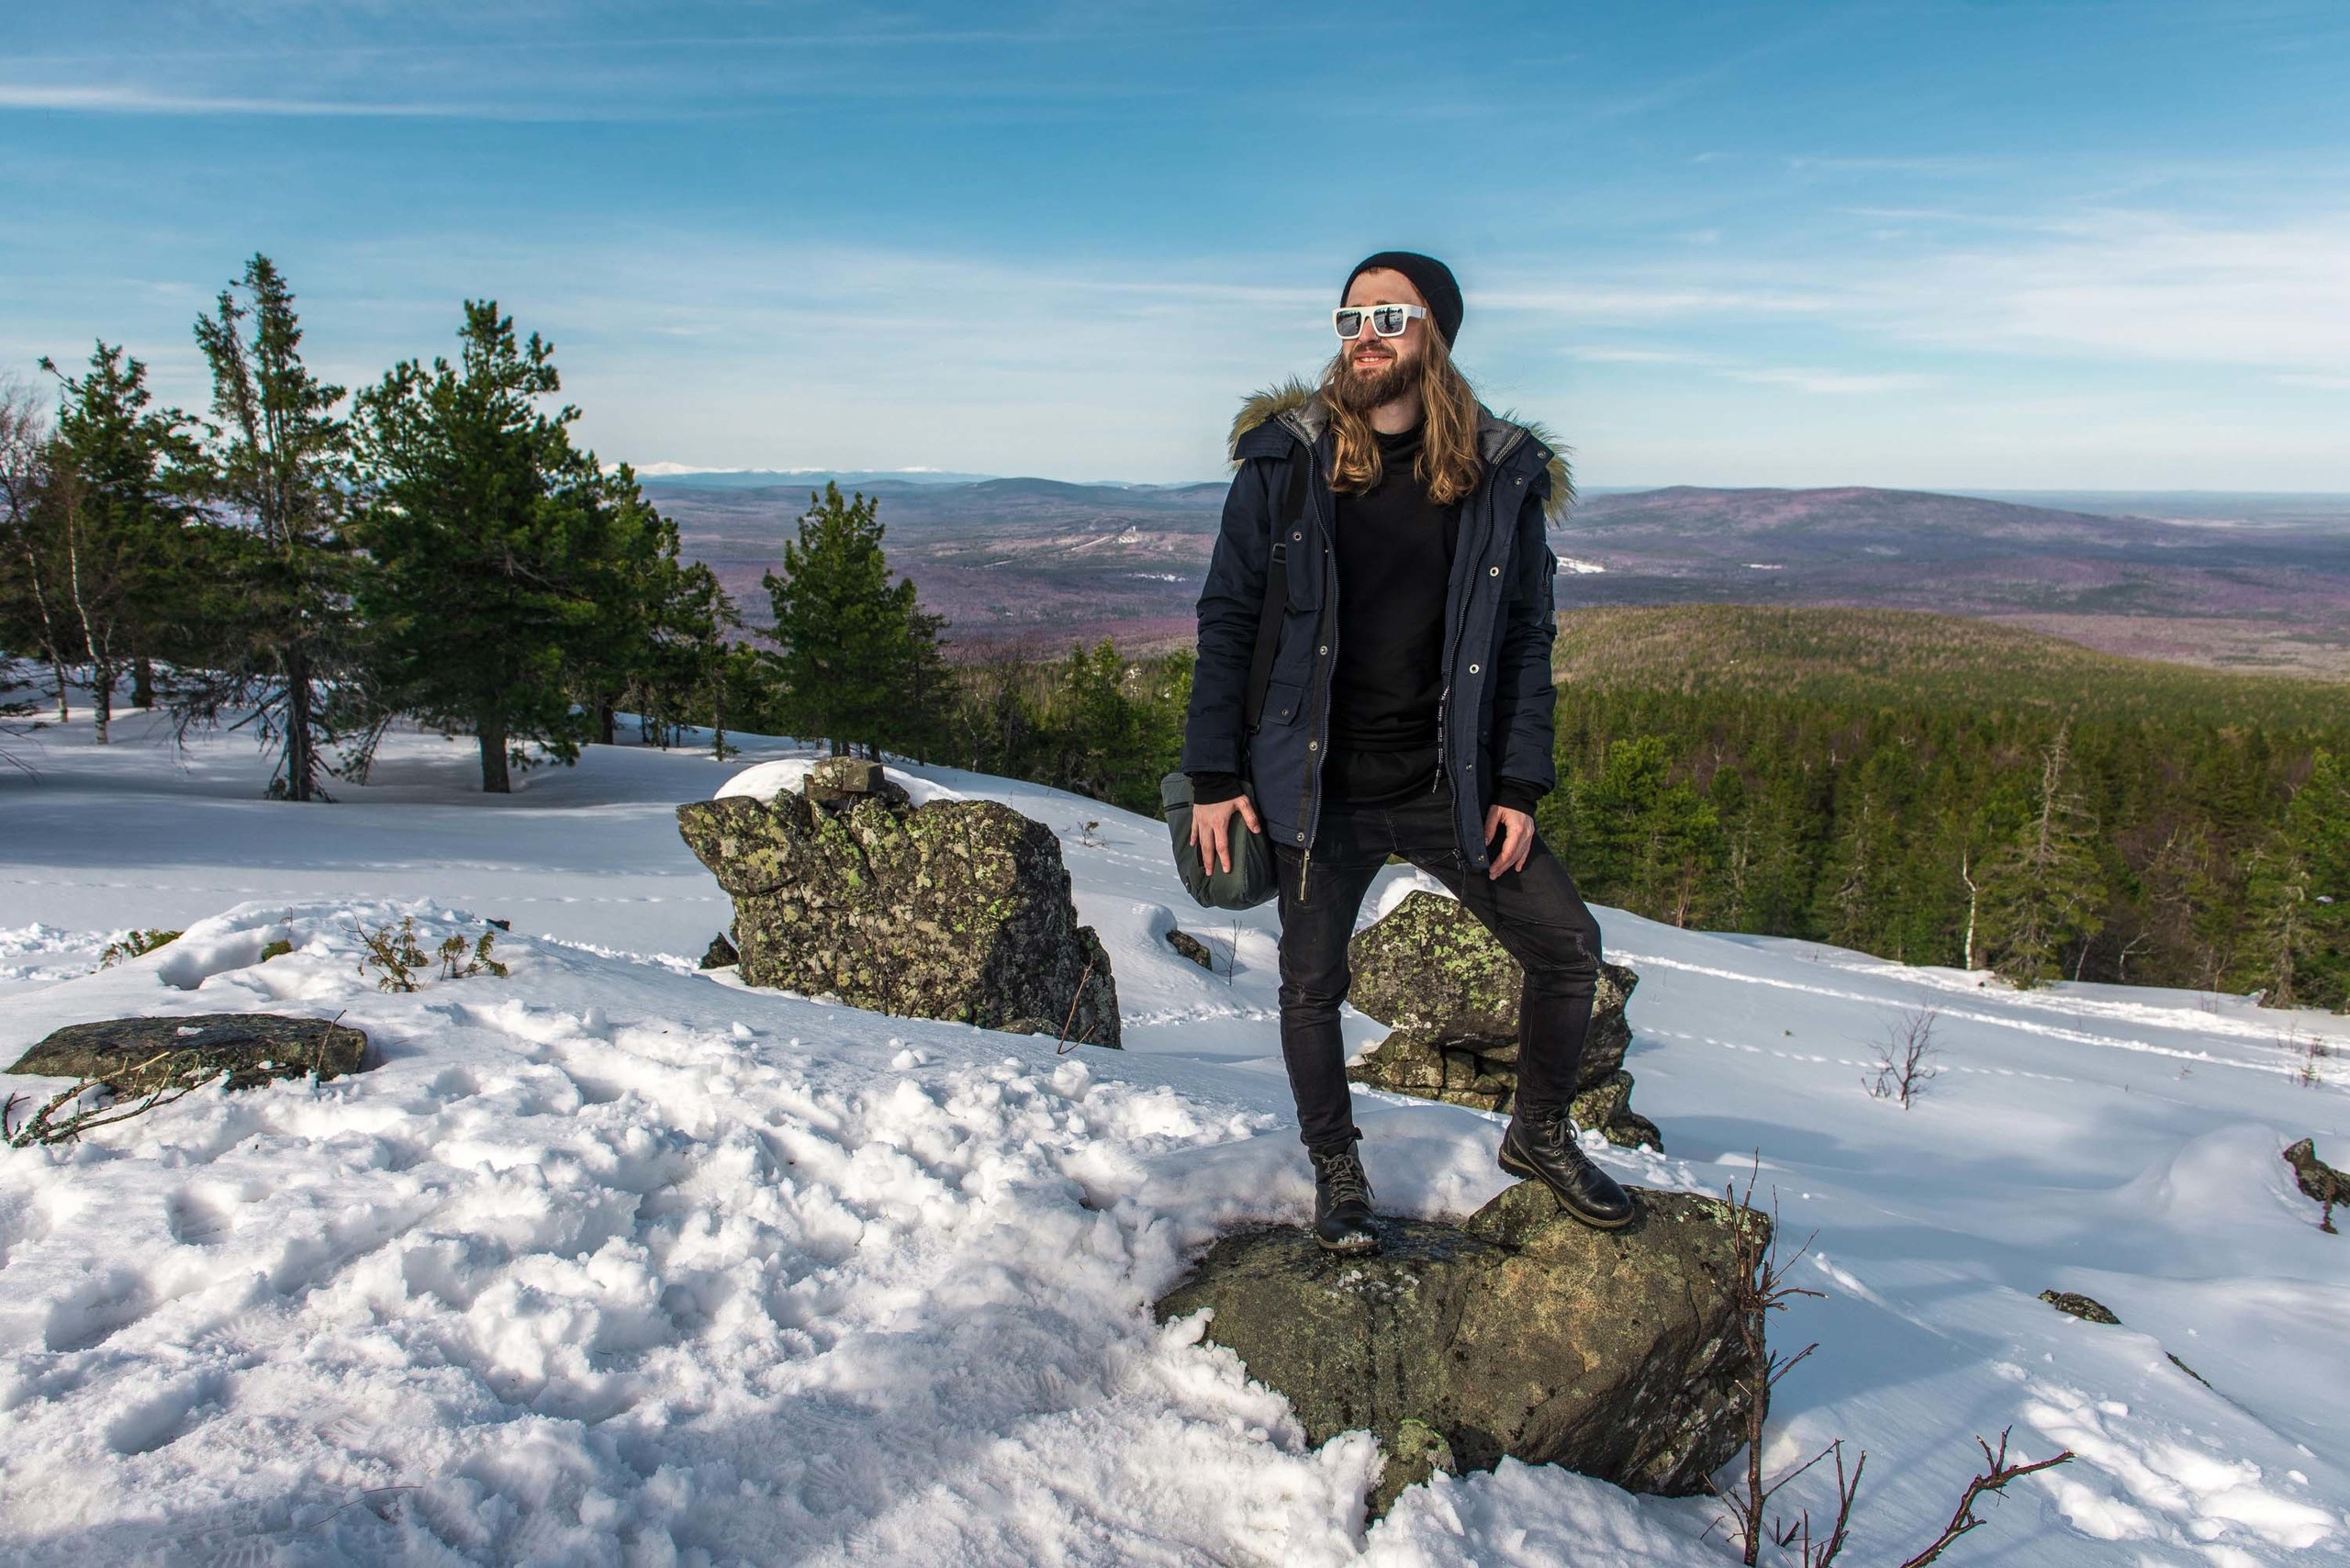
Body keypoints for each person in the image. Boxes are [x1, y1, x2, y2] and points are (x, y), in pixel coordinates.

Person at [1181, 251, 1633, 1255]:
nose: (1366, 336)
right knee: (1309, 986)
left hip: (1448, 784)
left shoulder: (1499, 475)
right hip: (1314, 786)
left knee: (1566, 948)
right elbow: (1226, 619)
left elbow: (1524, 639)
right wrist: (1215, 776)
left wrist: (1519, 782)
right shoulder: (1282, 462)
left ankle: (1540, 1135)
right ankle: (1336, 1169)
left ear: (1437, 332)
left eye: (1389, 315)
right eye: (1350, 320)